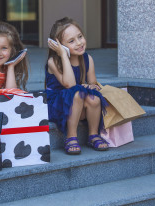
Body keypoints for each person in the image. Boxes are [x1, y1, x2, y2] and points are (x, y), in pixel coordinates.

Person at [45, 17, 109, 154]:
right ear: (58, 45)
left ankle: (93, 135)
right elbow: (70, 84)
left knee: (95, 98)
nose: (79, 43)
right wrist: (63, 55)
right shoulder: (54, 61)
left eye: (80, 37)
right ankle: (71, 136)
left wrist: (92, 86)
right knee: (77, 93)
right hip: (57, 106)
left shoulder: (87, 59)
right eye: (71, 41)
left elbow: (93, 83)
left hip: (78, 106)